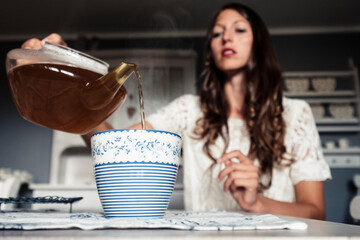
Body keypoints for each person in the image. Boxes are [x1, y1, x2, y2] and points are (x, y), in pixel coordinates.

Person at [22, 2, 331, 220]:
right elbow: (118, 147)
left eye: (239, 29)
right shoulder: (188, 109)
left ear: (259, 45)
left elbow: (316, 211)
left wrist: (256, 201)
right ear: (210, 50)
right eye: (217, 32)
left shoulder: (295, 114)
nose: (226, 37)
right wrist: (72, 97)